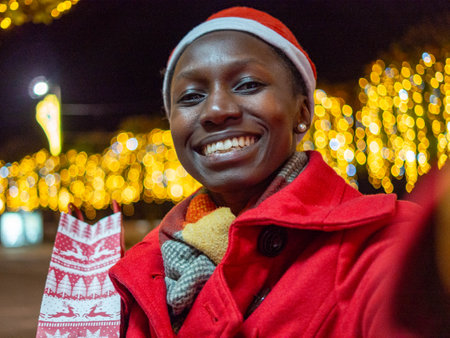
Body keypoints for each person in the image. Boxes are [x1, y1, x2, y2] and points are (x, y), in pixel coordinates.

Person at [109, 7, 421, 337]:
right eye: (191, 96)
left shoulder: (391, 248)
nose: (216, 110)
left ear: (302, 113)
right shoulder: (139, 268)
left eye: (247, 85)